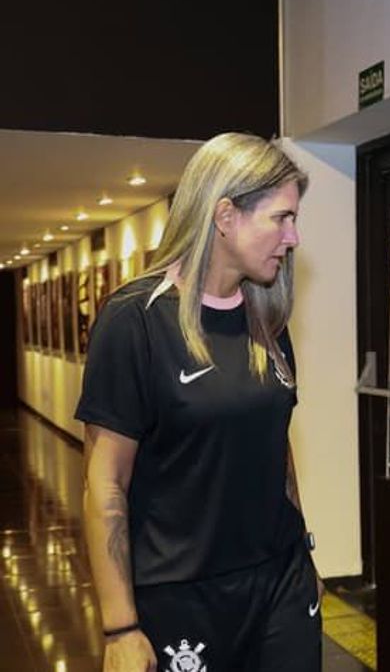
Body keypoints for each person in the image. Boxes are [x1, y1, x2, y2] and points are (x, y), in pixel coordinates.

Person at [77, 133, 322, 671]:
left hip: (281, 580)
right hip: (182, 596)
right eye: (281, 218)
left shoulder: (268, 320)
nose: (294, 237)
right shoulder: (135, 320)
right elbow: (105, 482)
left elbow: (275, 446)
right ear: (226, 215)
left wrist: (302, 552)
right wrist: (120, 627)